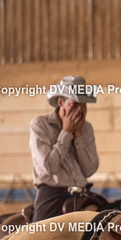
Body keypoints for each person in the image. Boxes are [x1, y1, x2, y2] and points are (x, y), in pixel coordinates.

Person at [30, 75, 98, 221]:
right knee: (40, 233)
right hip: (52, 195)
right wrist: (66, 132)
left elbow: (89, 169)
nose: (80, 110)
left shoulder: (86, 128)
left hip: (83, 194)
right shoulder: (40, 125)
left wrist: (78, 135)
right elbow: (49, 167)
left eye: (84, 104)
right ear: (60, 102)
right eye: (75, 105)